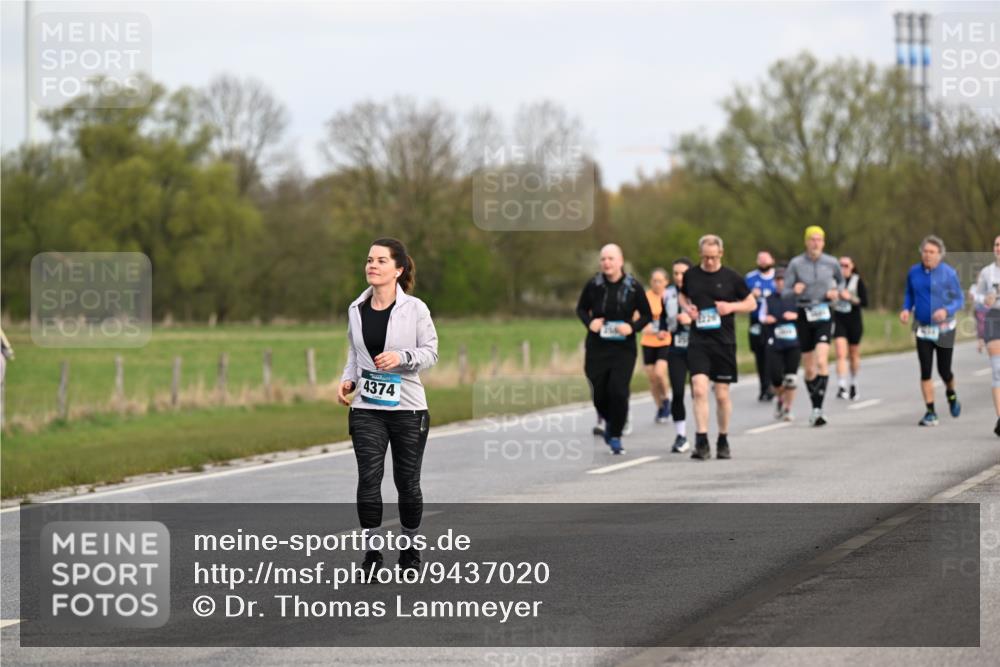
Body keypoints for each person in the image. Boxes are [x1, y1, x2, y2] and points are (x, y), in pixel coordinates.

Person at [338, 238, 439, 578]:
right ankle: (372, 552)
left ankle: (409, 547)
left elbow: (431, 351)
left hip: (408, 408)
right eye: (369, 259)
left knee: (407, 483)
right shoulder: (356, 308)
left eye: (381, 261)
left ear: (398, 270)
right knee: (369, 478)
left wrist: (402, 357)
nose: (372, 265)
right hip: (367, 406)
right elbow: (355, 353)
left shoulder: (415, 309)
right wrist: (348, 380)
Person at [678, 235, 756, 460]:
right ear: (700, 255)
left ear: (721, 254)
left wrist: (730, 306)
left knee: (721, 395)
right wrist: (689, 308)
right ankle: (701, 441)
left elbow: (752, 303)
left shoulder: (732, 277)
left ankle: (723, 438)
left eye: (713, 257)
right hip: (699, 341)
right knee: (699, 388)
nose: (709, 262)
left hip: (724, 342)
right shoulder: (691, 275)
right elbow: (682, 295)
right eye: (705, 257)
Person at [576, 244, 653, 455]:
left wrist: (632, 327)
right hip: (597, 347)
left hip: (623, 347)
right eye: (603, 259)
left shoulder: (633, 286)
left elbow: (647, 314)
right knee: (599, 393)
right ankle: (610, 421)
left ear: (620, 261)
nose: (606, 263)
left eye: (610, 259)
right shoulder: (594, 285)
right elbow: (581, 308)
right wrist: (590, 322)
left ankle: (616, 434)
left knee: (618, 391)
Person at [900, 235, 964, 427]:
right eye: (925, 252)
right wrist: (905, 309)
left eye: (932, 252)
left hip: (945, 329)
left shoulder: (949, 273)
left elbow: (959, 299)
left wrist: (946, 310)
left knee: (944, 371)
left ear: (940, 255)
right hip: (922, 329)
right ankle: (930, 411)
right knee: (925, 370)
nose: (927, 255)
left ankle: (951, 393)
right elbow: (909, 294)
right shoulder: (913, 272)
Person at [783, 226, 844, 427]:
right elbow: (785, 292)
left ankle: (819, 408)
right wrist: (794, 290)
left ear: (823, 243)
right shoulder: (796, 263)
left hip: (825, 312)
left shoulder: (831, 262)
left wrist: (836, 291)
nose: (816, 243)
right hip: (804, 313)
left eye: (819, 240)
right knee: (809, 368)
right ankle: (815, 407)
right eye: (812, 239)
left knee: (821, 360)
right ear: (806, 242)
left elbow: (842, 282)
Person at [761, 267, 801, 421]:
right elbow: (760, 315)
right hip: (775, 343)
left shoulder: (795, 298)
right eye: (778, 279)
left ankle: (788, 409)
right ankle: (780, 399)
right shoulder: (768, 298)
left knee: (791, 379)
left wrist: (795, 316)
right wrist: (766, 319)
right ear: (774, 282)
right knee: (776, 378)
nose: (781, 282)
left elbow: (803, 316)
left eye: (783, 279)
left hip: (793, 343)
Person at [970, 234, 1000, 436]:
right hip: (994, 319)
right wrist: (985, 299)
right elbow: (976, 297)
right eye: (997, 244)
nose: (999, 247)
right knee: (998, 371)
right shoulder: (987, 273)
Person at [664, 258, 694, 452]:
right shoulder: (667, 294)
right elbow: (662, 322)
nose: (679, 277)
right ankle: (681, 435)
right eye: (675, 273)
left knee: (699, 392)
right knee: (677, 392)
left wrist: (691, 319)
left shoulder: (700, 291)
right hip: (676, 349)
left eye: (682, 273)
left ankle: (702, 432)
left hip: (698, 348)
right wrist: (663, 329)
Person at [833, 256, 868, 401]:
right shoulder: (833, 282)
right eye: (840, 265)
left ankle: (853, 383)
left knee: (853, 355)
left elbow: (865, 302)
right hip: (839, 320)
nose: (843, 268)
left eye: (846, 265)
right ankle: (841, 386)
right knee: (841, 353)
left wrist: (850, 298)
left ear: (852, 266)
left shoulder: (857, 281)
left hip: (854, 322)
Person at [641, 268, 672, 423]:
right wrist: (642, 326)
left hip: (664, 341)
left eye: (660, 281)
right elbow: (638, 318)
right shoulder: (645, 298)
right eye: (654, 280)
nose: (657, 284)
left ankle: (666, 399)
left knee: (660, 373)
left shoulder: (670, 297)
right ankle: (659, 407)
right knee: (652, 378)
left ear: (666, 282)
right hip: (648, 341)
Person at [745, 251, 777, 402]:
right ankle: (764, 387)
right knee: (760, 354)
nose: (763, 262)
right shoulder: (750, 278)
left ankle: (774, 384)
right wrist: (751, 295)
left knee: (773, 353)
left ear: (772, 260)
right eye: (760, 260)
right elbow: (741, 297)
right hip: (756, 321)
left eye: (766, 259)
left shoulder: (778, 278)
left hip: (774, 321)